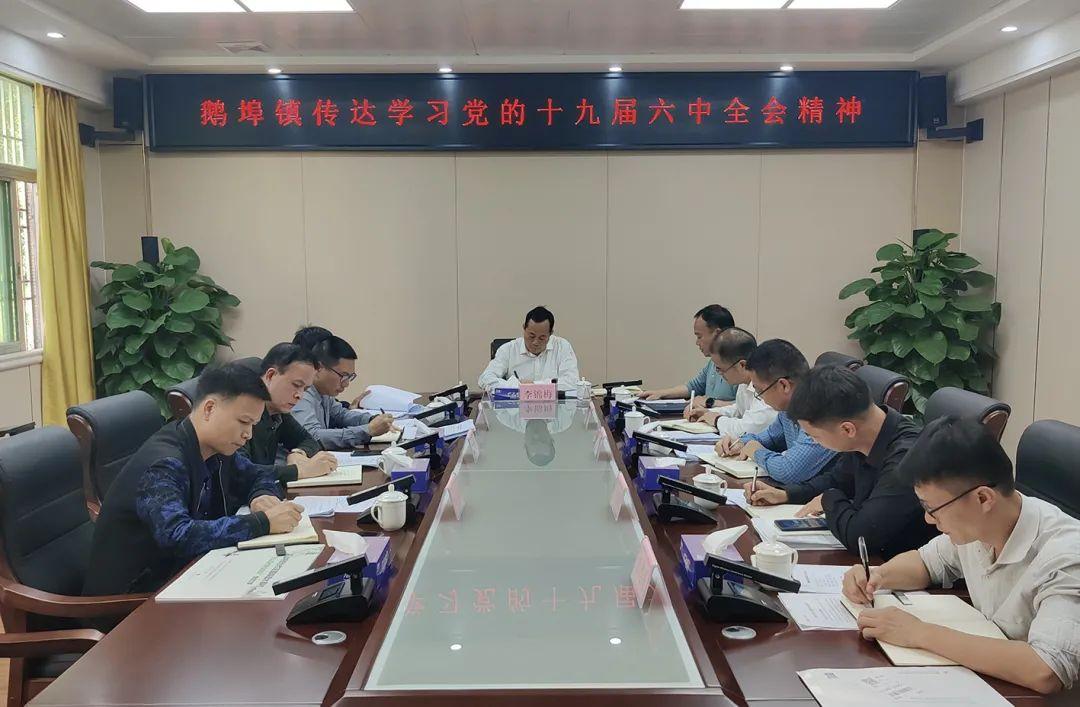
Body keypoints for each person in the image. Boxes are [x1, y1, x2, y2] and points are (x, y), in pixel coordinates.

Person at [841, 417, 1079, 695]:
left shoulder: (1066, 555)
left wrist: (919, 633)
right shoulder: (979, 526)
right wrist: (877, 576)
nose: (929, 520)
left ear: (983, 498)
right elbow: (926, 563)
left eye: (932, 509)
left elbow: (1046, 669)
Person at [83, 363, 303, 596]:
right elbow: (177, 536)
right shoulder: (164, 464)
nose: (248, 434)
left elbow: (257, 474)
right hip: (134, 600)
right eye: (243, 422)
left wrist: (261, 495)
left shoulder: (215, 447)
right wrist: (262, 523)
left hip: (187, 576)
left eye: (253, 425)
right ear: (209, 409)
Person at [744, 365, 933, 558]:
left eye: (814, 436)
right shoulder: (865, 434)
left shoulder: (906, 458)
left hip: (894, 564)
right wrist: (785, 494)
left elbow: (862, 538)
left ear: (847, 429)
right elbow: (836, 480)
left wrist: (828, 499)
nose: (815, 442)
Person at [715, 339, 835, 484]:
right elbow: (769, 438)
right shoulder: (787, 409)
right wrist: (740, 443)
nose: (759, 397)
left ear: (784, 385)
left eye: (760, 391)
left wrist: (756, 451)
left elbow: (788, 471)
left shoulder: (821, 412)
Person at [240, 343, 339, 484]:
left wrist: (298, 453)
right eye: (296, 385)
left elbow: (309, 440)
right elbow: (241, 472)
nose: (300, 395)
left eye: (305, 389)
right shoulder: (242, 413)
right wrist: (300, 471)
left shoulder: (277, 412)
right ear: (270, 375)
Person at [291, 333, 395, 450]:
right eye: (343, 376)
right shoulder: (302, 393)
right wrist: (368, 430)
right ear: (319, 368)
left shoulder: (324, 392)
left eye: (350, 377)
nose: (346, 384)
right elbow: (313, 437)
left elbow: (341, 415)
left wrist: (371, 419)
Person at [640, 304, 738, 414]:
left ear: (717, 334)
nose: (697, 342)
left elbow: (745, 407)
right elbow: (694, 386)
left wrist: (709, 402)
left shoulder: (740, 365)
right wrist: (660, 393)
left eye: (699, 336)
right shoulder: (713, 362)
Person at [687, 327, 777, 438]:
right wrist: (708, 413)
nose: (718, 373)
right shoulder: (744, 383)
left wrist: (716, 419)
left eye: (720, 368)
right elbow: (738, 410)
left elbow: (746, 430)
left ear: (742, 365)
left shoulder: (766, 386)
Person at [479, 306, 580, 392]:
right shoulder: (508, 350)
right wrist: (517, 386)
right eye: (531, 336)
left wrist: (533, 385)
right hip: (516, 408)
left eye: (542, 338)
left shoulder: (562, 347)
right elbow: (485, 379)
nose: (535, 342)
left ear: (550, 334)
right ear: (524, 328)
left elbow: (573, 382)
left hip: (555, 408)